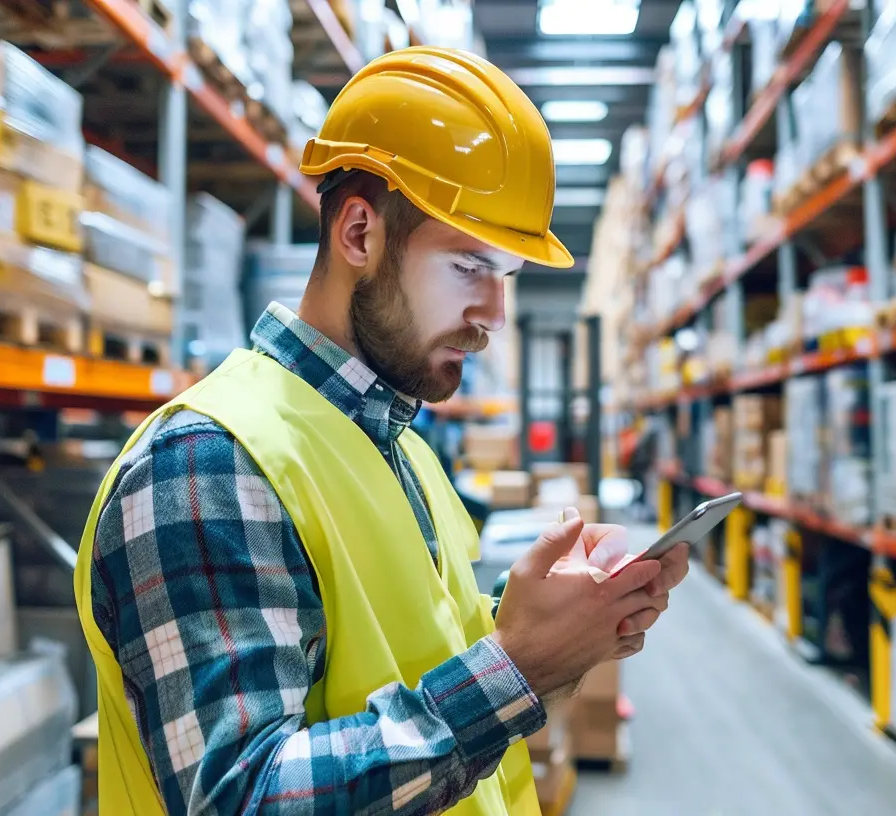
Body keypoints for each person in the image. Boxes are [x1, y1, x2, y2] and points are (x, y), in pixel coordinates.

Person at [73, 46, 691, 816]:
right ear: (360, 235)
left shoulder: (400, 449)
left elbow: (407, 656)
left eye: (505, 279)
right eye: (470, 267)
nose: (494, 319)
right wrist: (519, 664)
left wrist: (553, 627)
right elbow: (247, 798)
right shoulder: (206, 465)